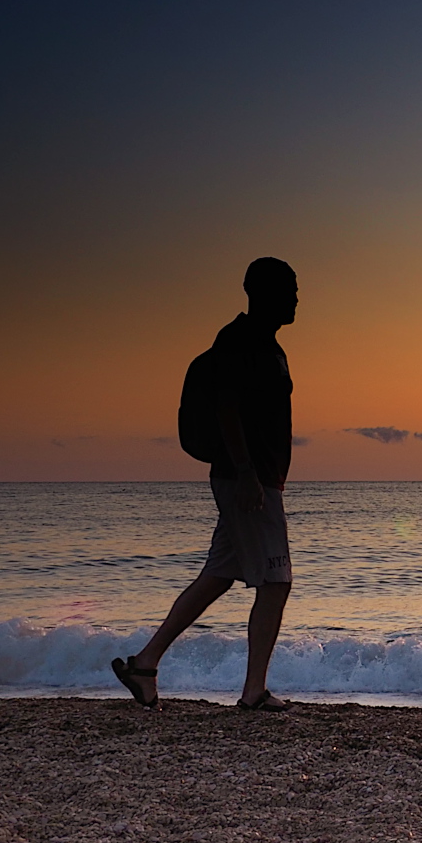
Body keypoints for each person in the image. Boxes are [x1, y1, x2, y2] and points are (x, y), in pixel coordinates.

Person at [111, 257, 298, 711]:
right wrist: (248, 473)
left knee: (217, 575)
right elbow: (226, 410)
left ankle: (144, 664)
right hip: (246, 479)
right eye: (288, 290)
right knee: (276, 583)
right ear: (260, 293)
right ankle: (253, 692)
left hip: (256, 478)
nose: (295, 299)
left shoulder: (269, 346)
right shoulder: (238, 342)